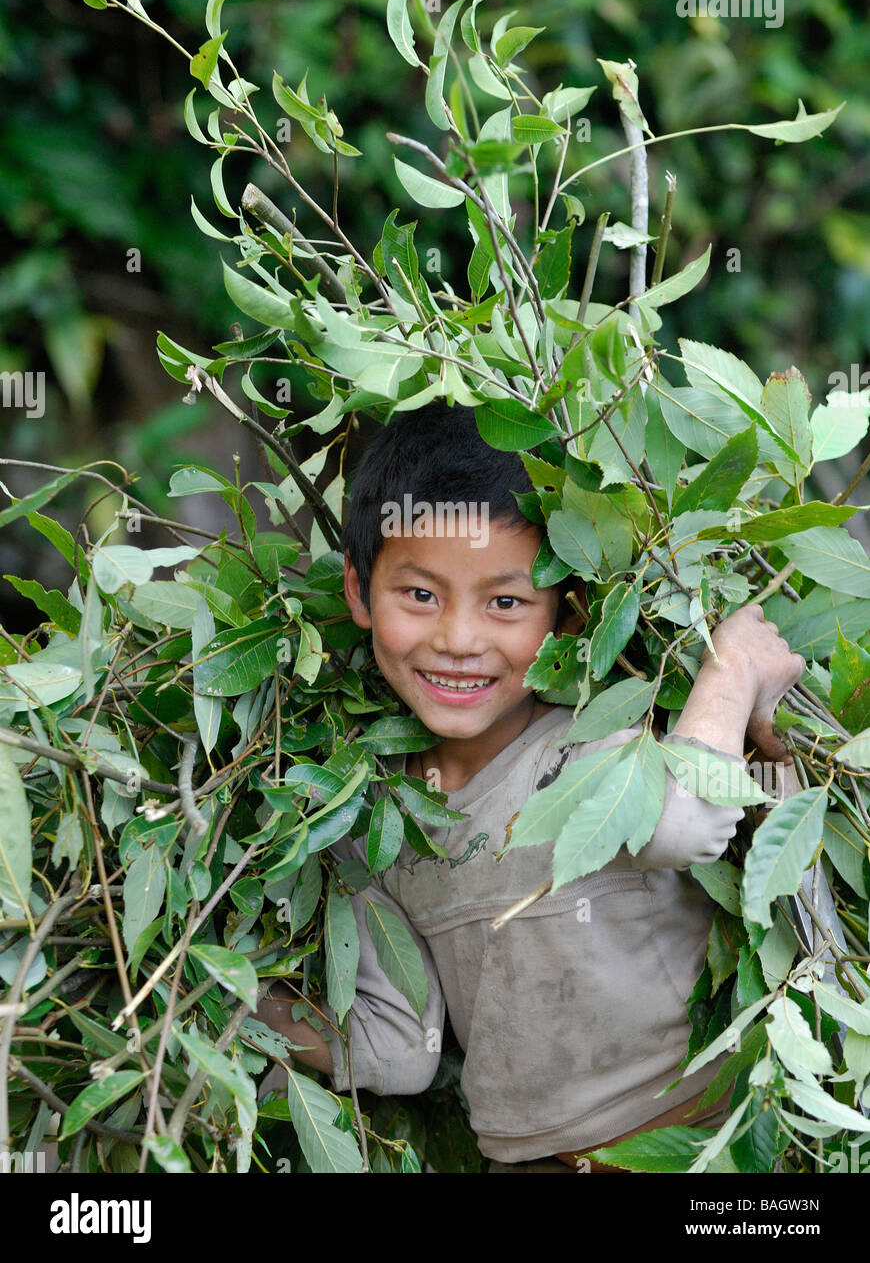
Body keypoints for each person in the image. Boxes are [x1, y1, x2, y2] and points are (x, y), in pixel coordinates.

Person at [257, 402, 805, 1172]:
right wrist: (225, 1004)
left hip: (698, 1150)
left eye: (505, 603)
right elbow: (397, 1047)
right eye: (419, 596)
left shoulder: (592, 746)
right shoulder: (369, 823)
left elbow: (687, 821)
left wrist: (733, 671)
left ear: (570, 614)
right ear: (356, 591)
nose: (457, 639)